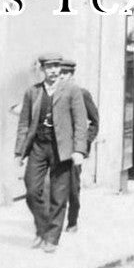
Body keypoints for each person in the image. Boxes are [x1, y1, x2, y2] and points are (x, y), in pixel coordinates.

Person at [15, 53, 90, 253]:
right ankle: (42, 229)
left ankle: (52, 238)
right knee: (31, 190)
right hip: (39, 146)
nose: (54, 71)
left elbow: (81, 122)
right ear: (42, 69)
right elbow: (24, 123)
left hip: (62, 149)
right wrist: (19, 152)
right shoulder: (33, 92)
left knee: (59, 194)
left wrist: (79, 150)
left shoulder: (72, 91)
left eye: (57, 66)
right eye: (49, 67)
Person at [58, 58, 99, 234]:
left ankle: (72, 221)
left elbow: (95, 122)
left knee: (73, 186)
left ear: (71, 75)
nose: (61, 78)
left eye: (65, 74)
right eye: (59, 74)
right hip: (54, 148)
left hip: (75, 149)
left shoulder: (82, 94)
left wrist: (83, 144)